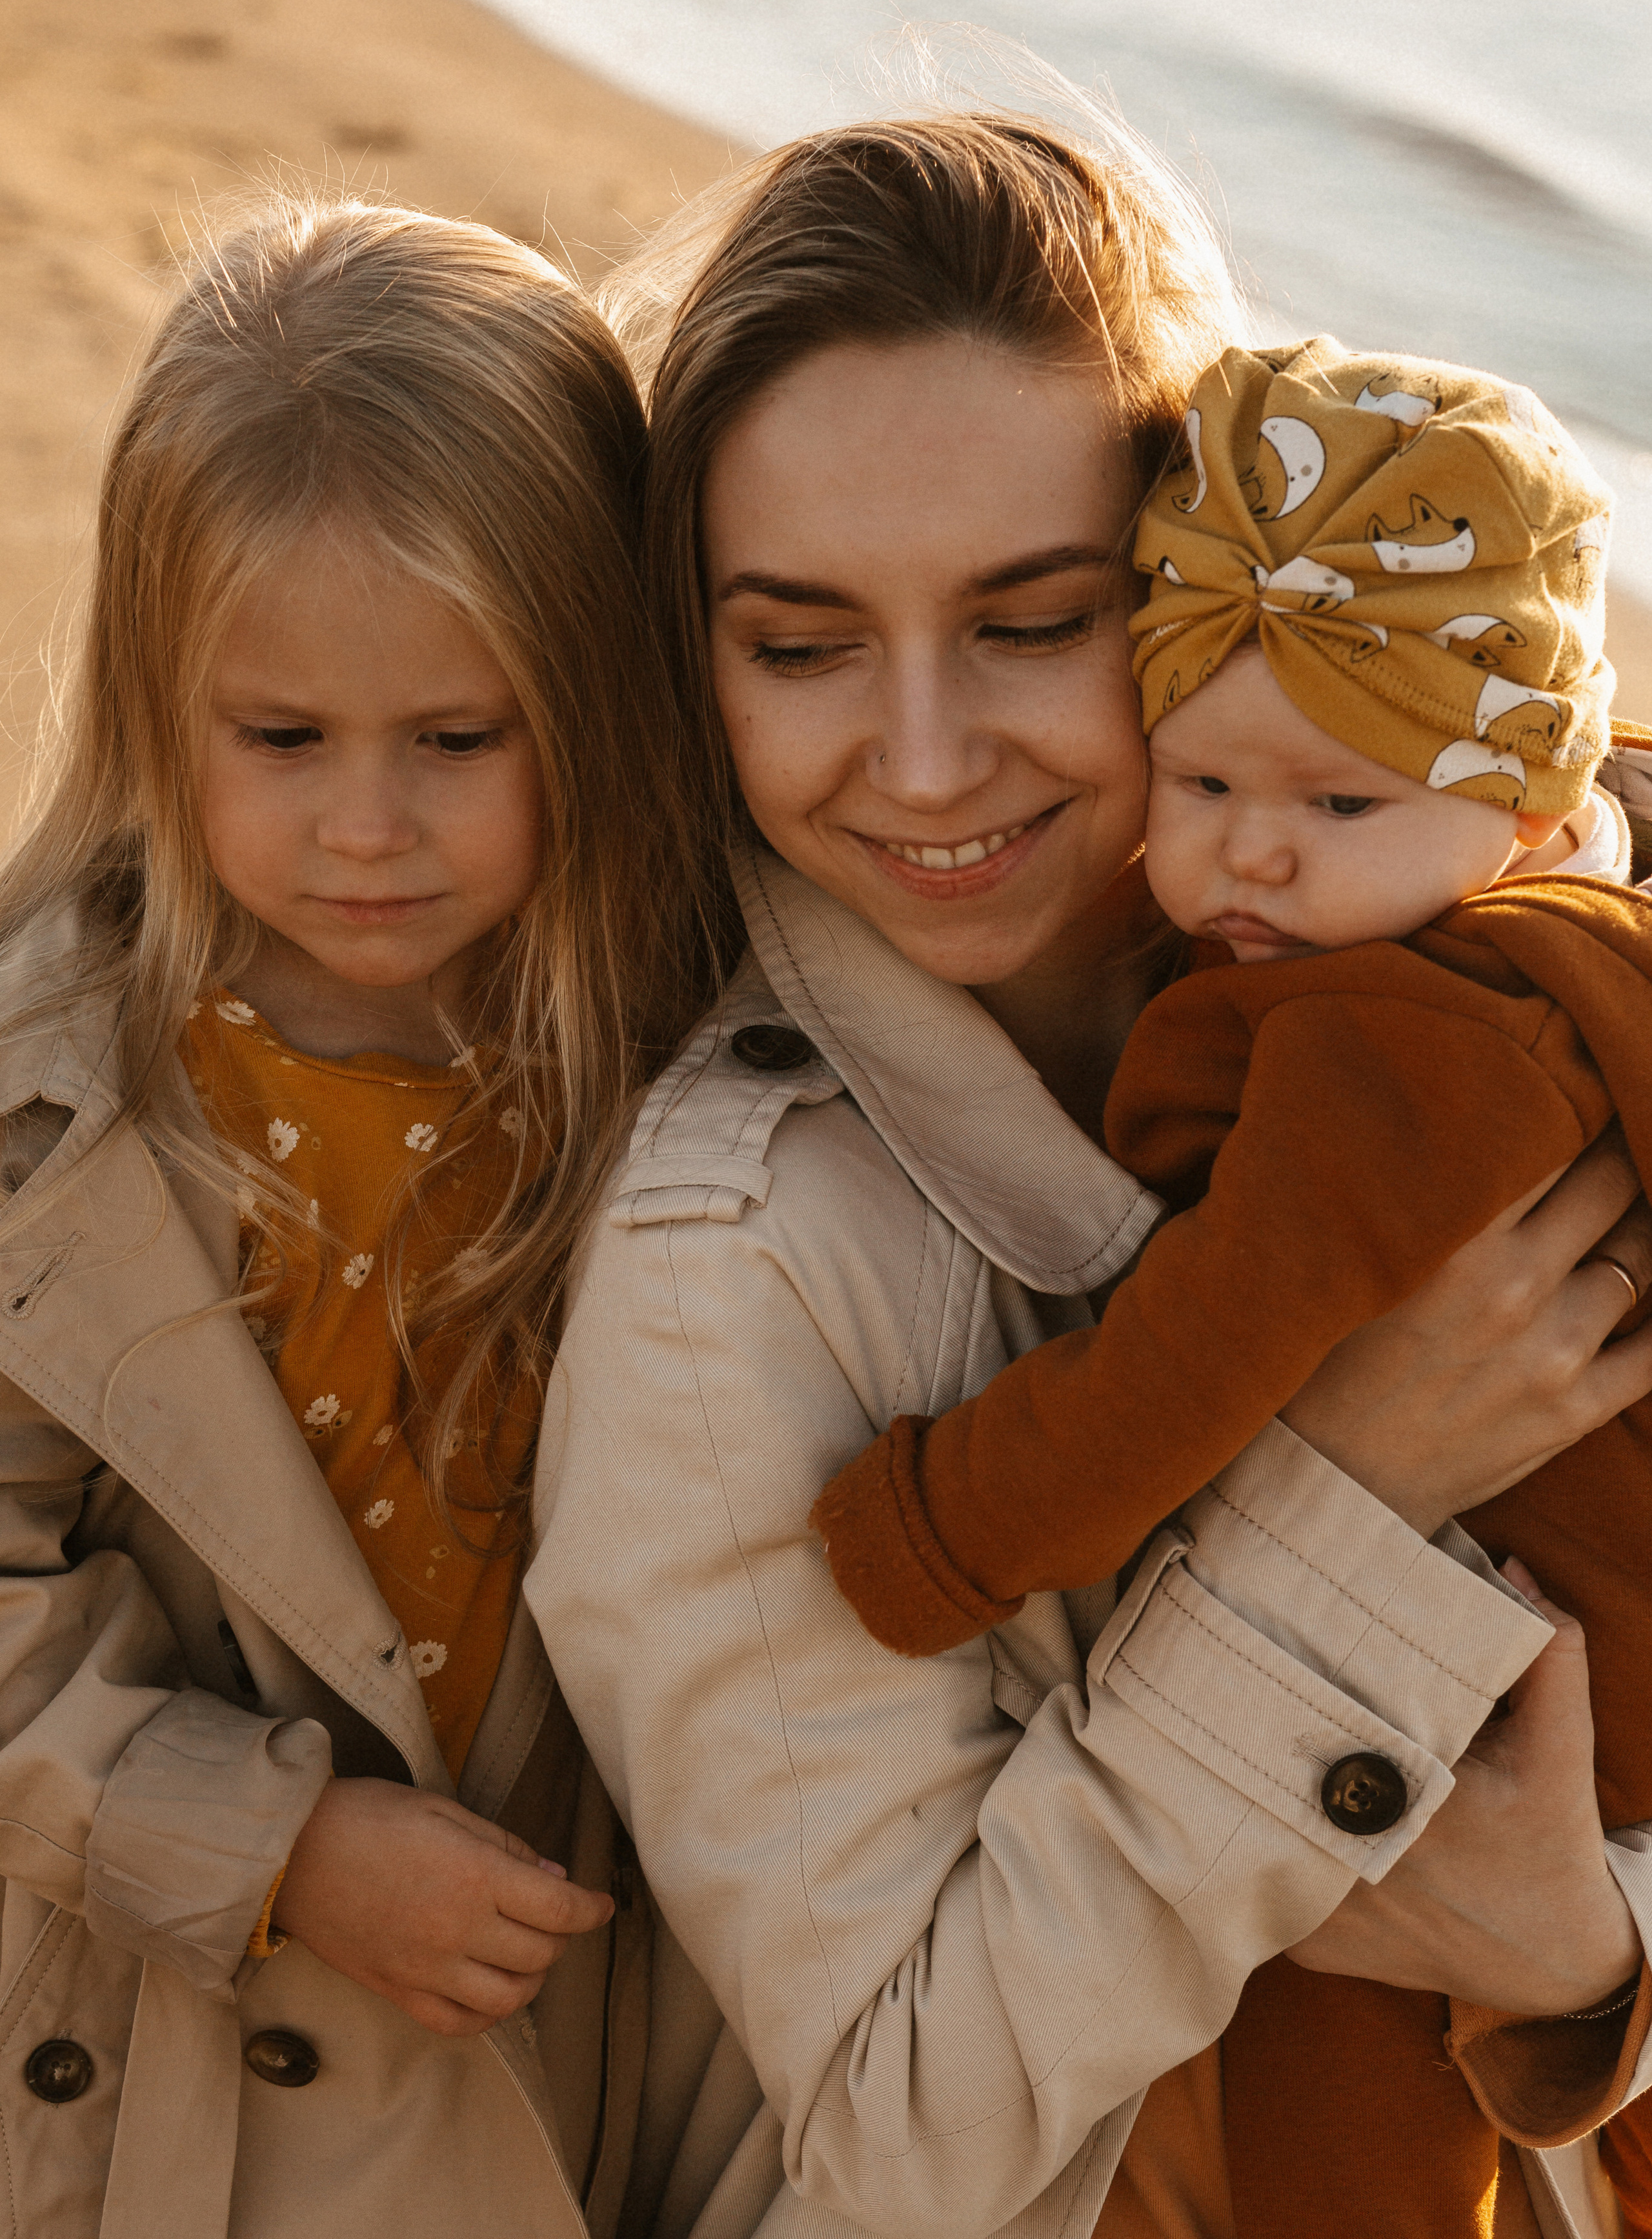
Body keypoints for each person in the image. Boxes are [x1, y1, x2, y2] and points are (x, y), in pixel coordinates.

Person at [525, 107, 1652, 2239]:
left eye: (1033, 624)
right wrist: (1328, 1505)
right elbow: (901, 2121)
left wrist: (1586, 1960)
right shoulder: (733, 1263)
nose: (929, 759)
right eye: (801, 644)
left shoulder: (1503, 991)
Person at [810, 332, 1652, 2229]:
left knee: (1333, 2104)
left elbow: (1187, 1365)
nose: (1250, 848)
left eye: (1341, 807)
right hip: (1550, 1658)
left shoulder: (1404, 1045)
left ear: (1525, 809)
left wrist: (934, 1531)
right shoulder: (1561, 934)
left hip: (1506, 1673)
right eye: (1198, 775)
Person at [0, 197, 727, 2239]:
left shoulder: (684, 1070)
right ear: (161, 698)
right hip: (143, 2067)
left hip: (552, 2061)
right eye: (285, 739)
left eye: (456, 739)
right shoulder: (55, 1102)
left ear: (590, 693)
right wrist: (281, 1849)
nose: (366, 827)